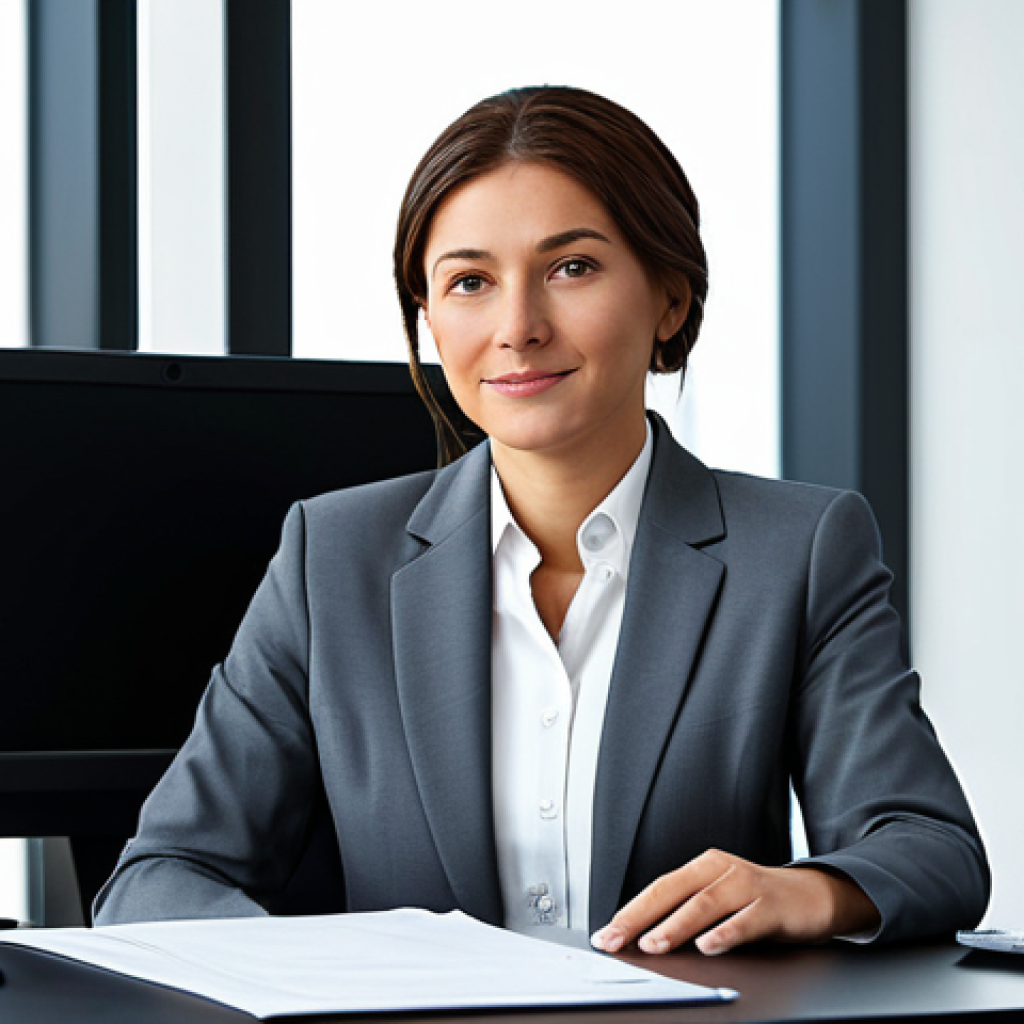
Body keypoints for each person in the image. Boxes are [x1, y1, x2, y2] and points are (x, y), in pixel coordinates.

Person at [94, 86, 989, 954]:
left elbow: (929, 848)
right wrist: (315, 972)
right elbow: (162, 874)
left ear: (669, 297)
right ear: (429, 319)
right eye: (470, 282)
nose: (517, 327)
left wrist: (803, 889)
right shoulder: (331, 557)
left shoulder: (797, 548)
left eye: (572, 268)